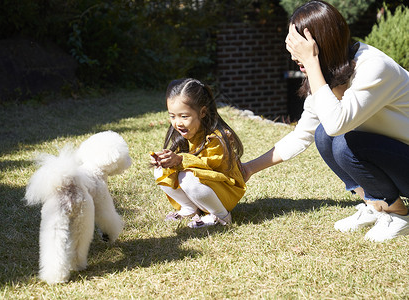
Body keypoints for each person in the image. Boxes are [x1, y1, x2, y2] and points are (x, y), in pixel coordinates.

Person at [242, 0, 409, 242]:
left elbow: (336, 124)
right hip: (398, 159)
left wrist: (311, 63)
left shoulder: (374, 67)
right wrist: (247, 169)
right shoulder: (329, 74)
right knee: (323, 135)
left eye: (298, 47)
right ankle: (376, 205)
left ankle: (398, 215)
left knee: (342, 141)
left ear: (320, 44)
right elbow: (303, 134)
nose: (292, 55)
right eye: (291, 46)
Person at [151, 78, 246, 228]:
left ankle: (221, 216)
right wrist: (165, 161)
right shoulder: (182, 133)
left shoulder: (217, 137)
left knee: (187, 176)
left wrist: (179, 160)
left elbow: (209, 164)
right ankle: (189, 209)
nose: (177, 122)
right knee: (160, 170)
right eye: (172, 116)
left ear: (202, 112)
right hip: (203, 188)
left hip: (225, 191)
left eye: (184, 116)